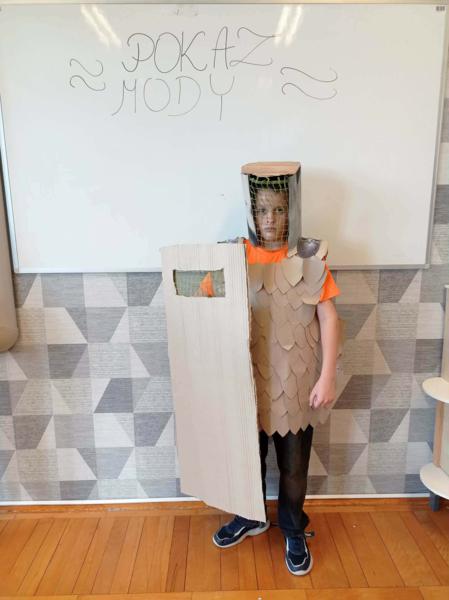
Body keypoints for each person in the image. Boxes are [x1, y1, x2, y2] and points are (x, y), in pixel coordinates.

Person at [203, 163, 341, 576]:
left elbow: (329, 318)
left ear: (291, 210)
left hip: (296, 383)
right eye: (262, 210)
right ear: (251, 212)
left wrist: (327, 376)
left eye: (279, 210)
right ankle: (250, 516)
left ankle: (293, 528)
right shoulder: (235, 256)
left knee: (293, 465)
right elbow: (203, 301)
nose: (269, 219)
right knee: (248, 458)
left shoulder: (309, 257)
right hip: (247, 380)